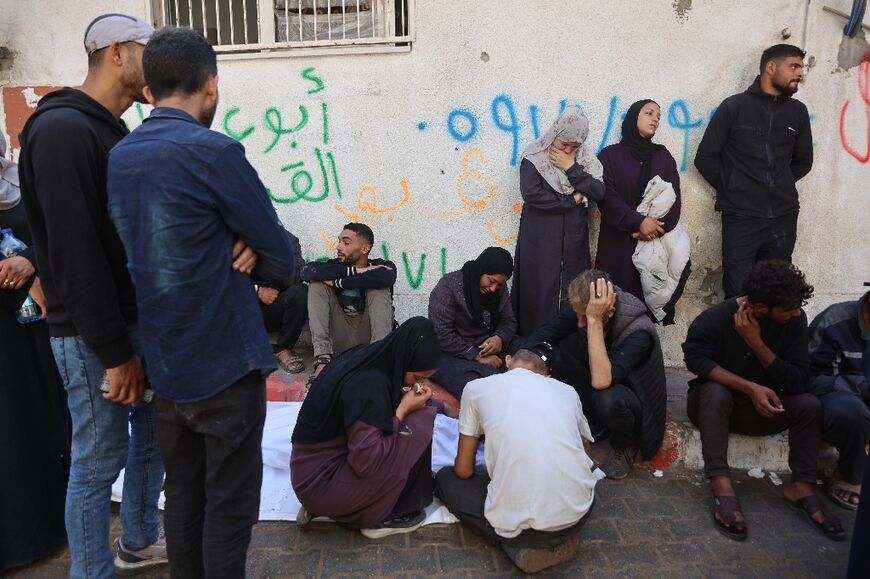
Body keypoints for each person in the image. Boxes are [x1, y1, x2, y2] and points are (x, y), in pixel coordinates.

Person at [106, 27, 296, 578]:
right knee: (228, 510)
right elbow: (282, 260)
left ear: (148, 91)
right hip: (224, 363)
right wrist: (251, 247)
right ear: (211, 86)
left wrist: (241, 244)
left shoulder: (120, 156)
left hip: (165, 364)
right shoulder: (214, 152)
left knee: (184, 501)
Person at [17, 14, 167, 577]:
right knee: (99, 456)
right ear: (117, 53)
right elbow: (75, 254)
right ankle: (91, 570)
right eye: (148, 52)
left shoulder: (109, 128)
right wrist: (115, 352)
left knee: (150, 436)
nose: (157, 64)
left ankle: (137, 539)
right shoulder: (62, 131)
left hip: (130, 326)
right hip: (93, 336)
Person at [682, 260, 843, 542]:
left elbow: (799, 380)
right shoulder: (716, 318)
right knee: (714, 392)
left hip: (765, 412)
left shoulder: (795, 320)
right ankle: (721, 486)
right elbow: (695, 359)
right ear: (758, 308)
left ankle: (802, 487)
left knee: (809, 404)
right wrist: (750, 388)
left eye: (797, 307)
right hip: (716, 410)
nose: (796, 313)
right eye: (788, 309)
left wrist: (756, 343)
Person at [435, 344, 596, 574]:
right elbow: (586, 457)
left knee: (446, 479)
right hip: (579, 514)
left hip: (525, 528)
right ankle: (556, 540)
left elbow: (464, 471)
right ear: (546, 374)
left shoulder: (476, 387)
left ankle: (517, 547)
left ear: (508, 361)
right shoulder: (567, 391)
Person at [291, 317, 442, 538]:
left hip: (308, 472)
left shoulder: (370, 357)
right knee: (419, 423)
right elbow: (366, 462)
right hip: (319, 485)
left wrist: (442, 406)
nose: (419, 385)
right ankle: (381, 515)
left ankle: (335, 505)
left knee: (421, 412)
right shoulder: (370, 385)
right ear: (405, 359)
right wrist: (403, 411)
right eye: (418, 377)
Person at [0, 132, 69, 573]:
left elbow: (54, 237)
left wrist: (31, 262)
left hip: (31, 334)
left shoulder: (19, 182)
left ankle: (44, 530)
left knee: (37, 428)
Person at [694, 44, 812, 299]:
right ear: (771, 67)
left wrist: (779, 184)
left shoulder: (798, 112)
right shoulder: (734, 107)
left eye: (801, 67)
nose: (800, 73)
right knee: (738, 293)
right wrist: (736, 188)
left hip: (783, 217)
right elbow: (705, 158)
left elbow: (804, 161)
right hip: (742, 218)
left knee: (779, 294)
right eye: (794, 66)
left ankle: (770, 340)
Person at [524, 270, 667, 479]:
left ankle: (622, 446)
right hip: (595, 386)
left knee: (607, 398)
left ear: (607, 310)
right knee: (547, 354)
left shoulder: (639, 331)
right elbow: (537, 340)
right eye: (580, 315)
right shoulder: (584, 308)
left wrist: (594, 321)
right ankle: (587, 423)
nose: (580, 323)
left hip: (633, 404)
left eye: (586, 317)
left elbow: (602, 381)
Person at [512, 106, 606, 336]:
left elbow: (599, 191)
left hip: (573, 239)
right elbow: (533, 195)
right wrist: (572, 200)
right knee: (538, 288)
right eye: (564, 144)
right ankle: (533, 343)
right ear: (555, 134)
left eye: (574, 147)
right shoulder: (533, 158)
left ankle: (566, 345)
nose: (567, 150)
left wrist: (571, 168)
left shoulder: (584, 161)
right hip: (540, 237)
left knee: (572, 290)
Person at [596, 99, 688, 323]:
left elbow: (673, 198)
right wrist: (637, 222)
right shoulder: (610, 156)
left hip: (653, 243)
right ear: (633, 118)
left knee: (646, 306)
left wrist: (654, 228)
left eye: (658, 115)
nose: (655, 119)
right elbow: (606, 196)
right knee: (612, 305)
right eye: (649, 113)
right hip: (617, 243)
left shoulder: (663, 157)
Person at [300, 222, 396, 381]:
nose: (338, 247)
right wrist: (356, 271)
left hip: (370, 342)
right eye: (339, 241)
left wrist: (339, 282)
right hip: (338, 338)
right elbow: (306, 272)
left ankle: (379, 360)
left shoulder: (381, 266)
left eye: (346, 242)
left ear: (365, 249)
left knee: (379, 287)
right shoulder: (334, 266)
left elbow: (387, 276)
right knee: (317, 283)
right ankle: (323, 359)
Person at [807, 282, 870, 510]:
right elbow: (815, 377)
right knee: (851, 413)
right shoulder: (837, 319)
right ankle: (850, 475)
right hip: (837, 396)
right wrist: (860, 385)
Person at [428, 246, 516, 398]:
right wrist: (476, 355)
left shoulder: (499, 289)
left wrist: (499, 338)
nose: (494, 288)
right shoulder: (448, 286)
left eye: (500, 284)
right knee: (477, 382)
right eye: (491, 281)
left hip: (490, 349)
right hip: (454, 353)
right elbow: (441, 333)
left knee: (532, 351)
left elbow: (509, 322)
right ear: (481, 270)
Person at [257, 228, 308, 374]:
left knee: (300, 291)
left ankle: (283, 348)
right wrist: (257, 290)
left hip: (274, 309)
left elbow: (296, 276)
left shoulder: (288, 240)